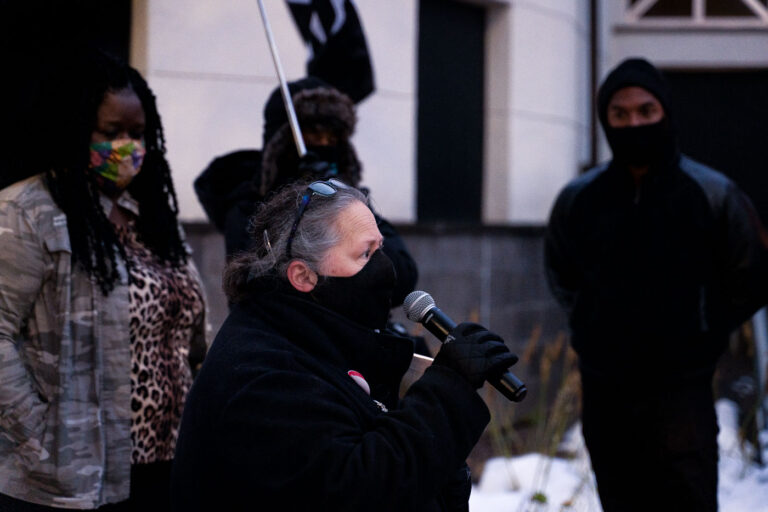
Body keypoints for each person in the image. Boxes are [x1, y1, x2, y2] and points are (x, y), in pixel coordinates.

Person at [171, 179, 518, 511]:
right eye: (365, 254)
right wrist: (448, 388)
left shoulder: (313, 336)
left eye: (380, 247)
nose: (385, 267)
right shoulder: (260, 376)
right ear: (304, 277)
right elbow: (358, 490)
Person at [545, 57, 768, 511]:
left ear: (665, 112)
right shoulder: (579, 199)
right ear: (605, 120)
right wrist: (595, 325)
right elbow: (560, 272)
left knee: (688, 496)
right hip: (606, 390)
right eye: (620, 114)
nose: (634, 123)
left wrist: (703, 328)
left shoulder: (712, 193)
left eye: (646, 111)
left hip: (682, 390)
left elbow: (751, 274)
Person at [0, 50, 207, 510]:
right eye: (111, 133)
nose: (128, 148)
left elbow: (189, 330)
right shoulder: (26, 212)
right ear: (74, 130)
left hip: (167, 463)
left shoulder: (153, 217)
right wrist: (38, 438)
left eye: (138, 134)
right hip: (72, 479)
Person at [194, 77, 419, 308]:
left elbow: (401, 280)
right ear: (282, 142)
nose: (323, 145)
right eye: (313, 136)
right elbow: (255, 294)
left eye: (331, 139)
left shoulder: (352, 203)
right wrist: (299, 199)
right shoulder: (248, 208)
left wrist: (343, 198)